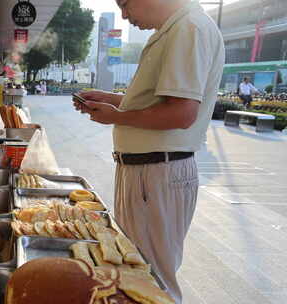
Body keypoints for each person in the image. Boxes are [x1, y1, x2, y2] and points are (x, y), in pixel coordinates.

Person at [73, 0, 224, 303]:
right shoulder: (174, 29)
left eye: (125, 5)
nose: (125, 15)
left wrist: (115, 115)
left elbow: (181, 114)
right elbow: (162, 101)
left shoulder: (188, 28)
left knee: (152, 281)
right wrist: (113, 100)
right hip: (147, 172)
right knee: (134, 273)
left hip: (157, 172)